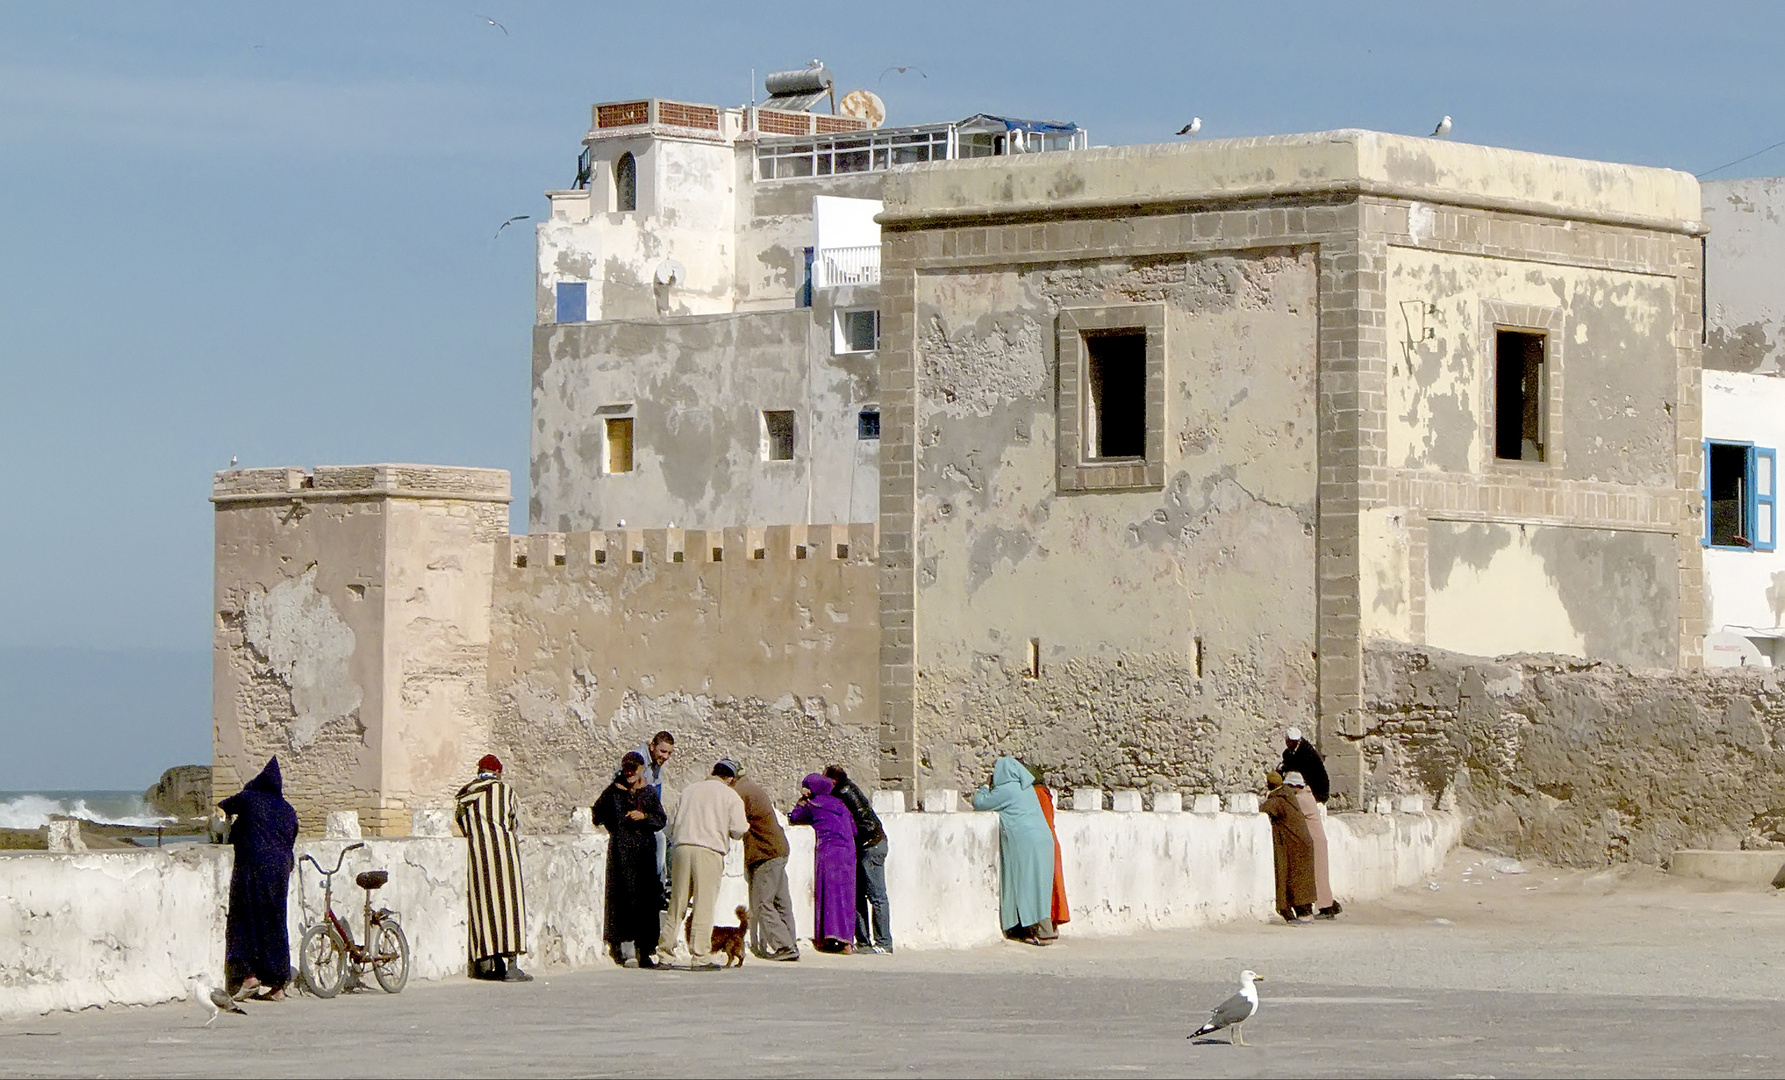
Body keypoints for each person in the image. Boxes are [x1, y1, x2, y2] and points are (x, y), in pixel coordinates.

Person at [218, 756, 298, 1000]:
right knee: (275, 923)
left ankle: (249, 975)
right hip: (281, 870)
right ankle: (278, 985)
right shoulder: (287, 809)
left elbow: (225, 804)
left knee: (247, 921)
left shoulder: (250, 799)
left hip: (253, 868)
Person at [658, 759, 747, 969]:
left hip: (682, 848)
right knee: (703, 905)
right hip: (709, 851)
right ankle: (700, 956)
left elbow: (670, 824)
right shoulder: (729, 796)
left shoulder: (689, 790)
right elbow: (739, 829)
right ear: (731, 779)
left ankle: (664, 953)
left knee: (677, 904)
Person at [455, 753, 532, 982]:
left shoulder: (464, 796)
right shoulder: (505, 791)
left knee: (485, 908)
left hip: (478, 857)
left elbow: (461, 824)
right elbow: (512, 821)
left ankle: (493, 964)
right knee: (509, 907)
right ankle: (512, 966)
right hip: (504, 855)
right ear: (498, 772)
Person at [592, 752, 667, 968]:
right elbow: (598, 814)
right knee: (624, 899)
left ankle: (645, 951)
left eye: (633, 770)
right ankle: (625, 950)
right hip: (622, 852)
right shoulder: (613, 792)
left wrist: (643, 817)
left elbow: (660, 819)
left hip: (644, 852)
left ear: (641, 769)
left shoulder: (648, 793)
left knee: (646, 901)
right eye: (627, 769)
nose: (629, 773)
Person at [970, 758, 1055, 945]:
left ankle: (1030, 930)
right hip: (1044, 841)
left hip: (1026, 844)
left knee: (1023, 886)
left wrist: (985, 787)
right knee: (1039, 886)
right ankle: (1046, 928)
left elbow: (980, 804)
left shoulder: (1007, 790)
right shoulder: (1026, 788)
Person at [732, 764, 799, 961]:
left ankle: (784, 946)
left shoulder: (739, 793)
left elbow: (735, 825)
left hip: (765, 853)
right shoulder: (753, 788)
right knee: (781, 902)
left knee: (763, 903)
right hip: (779, 849)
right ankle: (791, 943)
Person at [824, 765, 892, 954]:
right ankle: (863, 942)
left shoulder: (845, 793)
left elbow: (866, 824)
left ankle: (883, 942)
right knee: (858, 895)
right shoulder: (844, 792)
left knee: (877, 896)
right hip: (865, 847)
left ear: (834, 781)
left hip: (871, 846)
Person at [788, 773, 858, 953]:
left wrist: (800, 802)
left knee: (827, 895)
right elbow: (854, 829)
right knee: (846, 896)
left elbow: (795, 817)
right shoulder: (840, 804)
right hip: (848, 853)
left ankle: (825, 938)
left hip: (829, 853)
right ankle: (847, 941)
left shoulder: (813, 805)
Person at [1279, 727, 1340, 918]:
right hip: (1312, 841)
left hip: (1314, 841)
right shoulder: (1290, 755)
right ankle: (1328, 904)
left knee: (1319, 874)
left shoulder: (1304, 796)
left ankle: (1327, 906)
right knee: (1317, 875)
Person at [1260, 770, 1318, 923]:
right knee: (1303, 878)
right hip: (1303, 843)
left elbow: (1263, 811)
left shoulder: (1278, 800)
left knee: (1295, 879)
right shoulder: (1290, 796)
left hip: (1294, 846)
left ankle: (1302, 914)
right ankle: (1306, 913)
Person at [1022, 764, 1070, 942]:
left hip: (1040, 846)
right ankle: (1053, 926)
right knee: (1053, 886)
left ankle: (1043, 931)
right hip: (1051, 843)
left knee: (1044, 889)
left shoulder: (1035, 794)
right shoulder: (1045, 793)